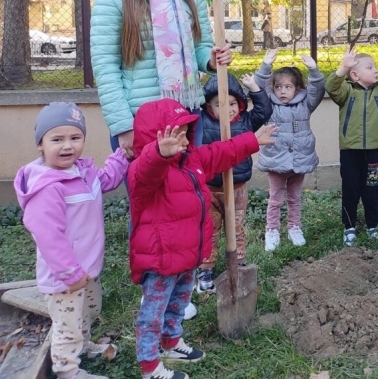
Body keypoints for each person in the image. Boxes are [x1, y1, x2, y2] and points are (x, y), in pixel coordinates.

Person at [127, 98, 275, 379]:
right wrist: (158, 153)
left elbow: (221, 152)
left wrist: (252, 141)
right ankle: (149, 366)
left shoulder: (191, 160)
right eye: (175, 134)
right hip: (161, 259)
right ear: (155, 137)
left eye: (185, 133)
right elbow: (146, 171)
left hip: (187, 256)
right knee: (153, 313)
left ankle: (171, 342)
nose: (182, 140)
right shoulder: (144, 172)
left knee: (178, 303)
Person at [90, 0, 232, 158]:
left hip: (185, 112)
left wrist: (211, 59)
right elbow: (105, 66)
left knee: (186, 190)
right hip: (140, 117)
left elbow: (200, 47)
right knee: (147, 195)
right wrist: (122, 125)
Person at [14, 103, 128, 379]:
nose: (67, 146)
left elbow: (106, 180)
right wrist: (70, 273)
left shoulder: (82, 172)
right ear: (40, 144)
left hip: (87, 270)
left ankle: (84, 347)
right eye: (57, 139)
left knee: (87, 313)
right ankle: (67, 370)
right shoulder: (47, 187)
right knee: (68, 325)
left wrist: (122, 156)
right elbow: (48, 236)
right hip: (66, 277)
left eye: (75, 138)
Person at [195, 72, 272, 294]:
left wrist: (255, 89)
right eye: (219, 104)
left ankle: (237, 264)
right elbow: (186, 111)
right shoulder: (203, 122)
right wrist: (196, 82)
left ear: (239, 104)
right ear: (208, 107)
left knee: (236, 228)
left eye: (232, 103)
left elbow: (264, 111)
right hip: (209, 189)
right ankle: (206, 270)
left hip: (237, 188)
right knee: (209, 229)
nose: (227, 109)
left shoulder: (246, 121)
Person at [325, 36, 378, 246]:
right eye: (370, 67)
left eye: (375, 66)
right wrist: (343, 67)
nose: (375, 70)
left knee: (371, 188)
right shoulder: (346, 92)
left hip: (373, 152)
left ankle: (372, 225)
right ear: (355, 74)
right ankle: (349, 226)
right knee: (350, 188)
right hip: (350, 151)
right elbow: (331, 87)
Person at [255, 50, 325, 251]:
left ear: (297, 88)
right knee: (275, 199)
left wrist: (313, 69)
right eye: (278, 87)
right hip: (276, 161)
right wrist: (266, 65)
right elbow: (257, 89)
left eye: (288, 87)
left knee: (295, 198)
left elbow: (317, 90)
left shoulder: (306, 104)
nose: (283, 91)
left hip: (299, 160)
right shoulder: (269, 104)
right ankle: (272, 230)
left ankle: (294, 227)